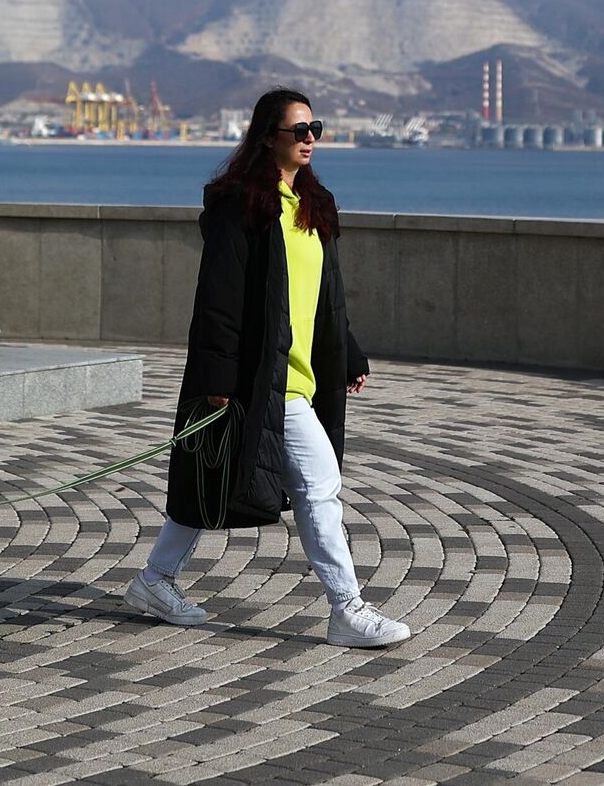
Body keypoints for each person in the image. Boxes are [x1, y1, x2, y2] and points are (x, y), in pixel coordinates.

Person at [123, 87, 410, 647]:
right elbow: (218, 299)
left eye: (314, 129)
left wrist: (348, 351)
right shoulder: (242, 206)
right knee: (319, 487)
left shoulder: (313, 204)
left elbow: (326, 295)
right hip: (259, 379)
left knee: (217, 475)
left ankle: (154, 580)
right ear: (266, 138)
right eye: (298, 130)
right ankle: (347, 610)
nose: (309, 139)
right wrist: (217, 378)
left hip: (301, 376)